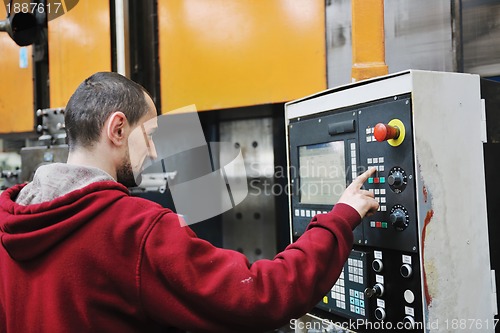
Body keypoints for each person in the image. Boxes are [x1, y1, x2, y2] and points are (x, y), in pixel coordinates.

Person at [0, 72, 378, 333]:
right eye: (148, 136)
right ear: (117, 129)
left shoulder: (10, 219)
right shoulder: (133, 228)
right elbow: (260, 296)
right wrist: (341, 217)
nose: (152, 151)